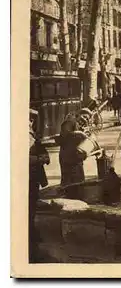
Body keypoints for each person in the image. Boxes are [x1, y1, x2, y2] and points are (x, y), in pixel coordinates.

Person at [29, 109, 50, 262]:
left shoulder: (30, 133)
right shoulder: (23, 135)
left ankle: (32, 234)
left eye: (32, 120)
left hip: (33, 176)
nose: (31, 122)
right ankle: (31, 239)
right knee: (29, 206)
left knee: (32, 204)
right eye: (29, 119)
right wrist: (40, 158)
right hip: (28, 176)